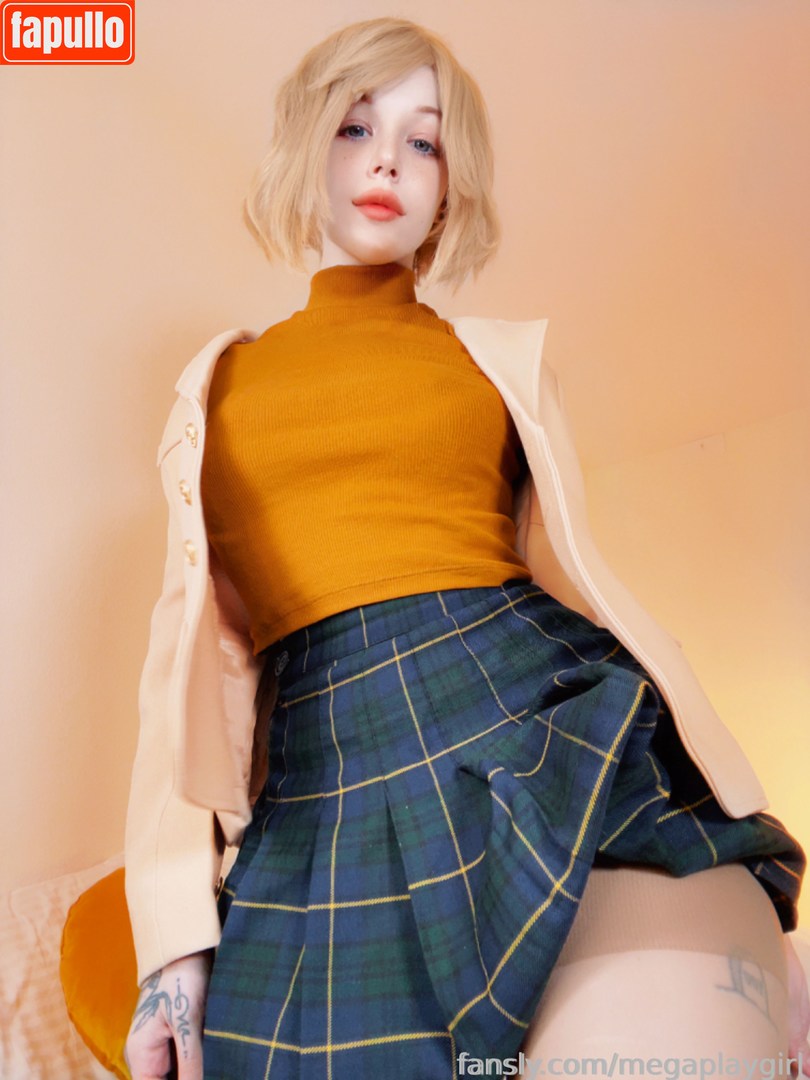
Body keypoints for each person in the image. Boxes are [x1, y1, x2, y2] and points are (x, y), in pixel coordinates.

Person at [123, 17, 808, 1080]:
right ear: (306, 147)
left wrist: (753, 913)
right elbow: (185, 668)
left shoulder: (494, 361)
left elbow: (578, 580)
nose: (388, 161)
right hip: (316, 779)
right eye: (355, 127)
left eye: (425, 141)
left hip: (518, 698)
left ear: (451, 187)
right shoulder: (216, 389)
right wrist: (171, 941)